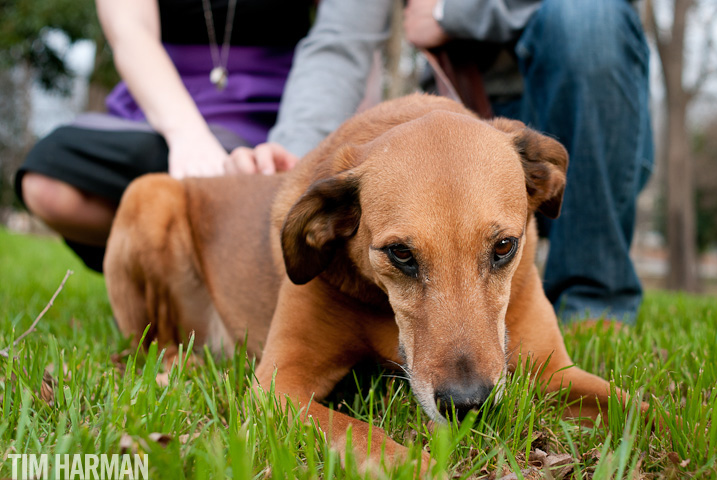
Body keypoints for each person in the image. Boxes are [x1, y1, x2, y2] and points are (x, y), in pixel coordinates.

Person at [244, 0, 654, 325]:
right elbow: (342, 39)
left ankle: (594, 305)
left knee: (588, 16)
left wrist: (452, 13)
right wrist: (294, 147)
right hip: (453, 112)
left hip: (591, 118)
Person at [15, 0, 309, 271]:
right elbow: (130, 31)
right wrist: (187, 136)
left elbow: (342, 34)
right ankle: (173, 274)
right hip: (160, 105)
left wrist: (297, 142)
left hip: (271, 110)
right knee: (48, 180)